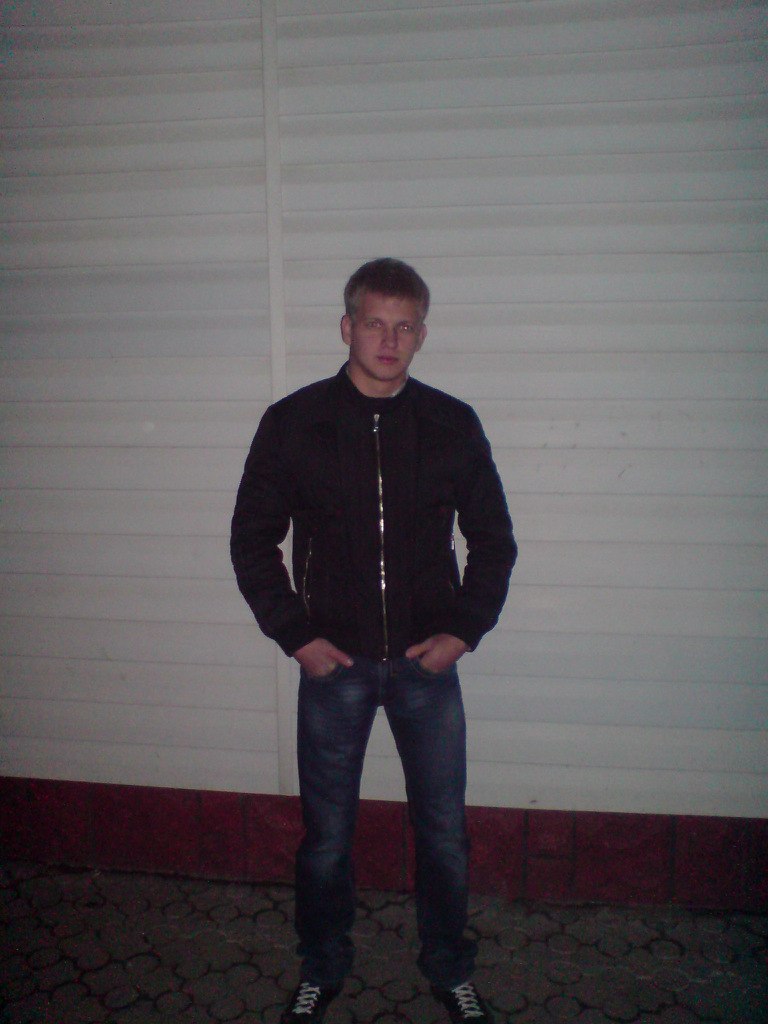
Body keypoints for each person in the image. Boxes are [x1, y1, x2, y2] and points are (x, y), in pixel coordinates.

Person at [231, 258, 517, 1023]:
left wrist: (463, 630)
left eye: (404, 326)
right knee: (326, 837)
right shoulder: (294, 423)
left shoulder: (452, 423)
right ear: (347, 327)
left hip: (428, 666)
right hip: (337, 667)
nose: (389, 340)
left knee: (444, 833)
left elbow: (494, 541)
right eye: (374, 323)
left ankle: (448, 966)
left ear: (421, 335)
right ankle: (322, 965)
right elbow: (252, 541)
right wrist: (297, 636)